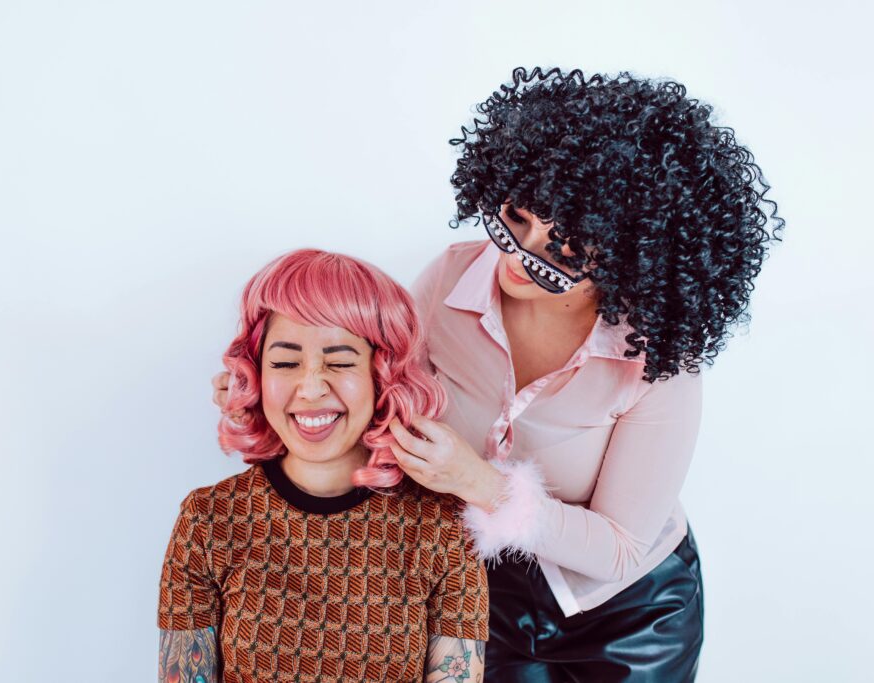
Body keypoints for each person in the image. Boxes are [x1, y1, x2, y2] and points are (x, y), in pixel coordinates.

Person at [213, 67, 783, 681]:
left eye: (562, 250)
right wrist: (262, 390)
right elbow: (372, 395)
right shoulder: (449, 283)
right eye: (516, 218)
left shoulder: (659, 362)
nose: (518, 252)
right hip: (479, 590)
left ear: (630, 258)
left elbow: (617, 551)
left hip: (628, 615)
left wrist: (480, 483)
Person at [160, 249, 489, 682]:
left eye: (338, 361)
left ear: (383, 375)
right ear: (256, 374)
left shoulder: (444, 529)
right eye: (284, 362)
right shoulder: (209, 521)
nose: (311, 387)